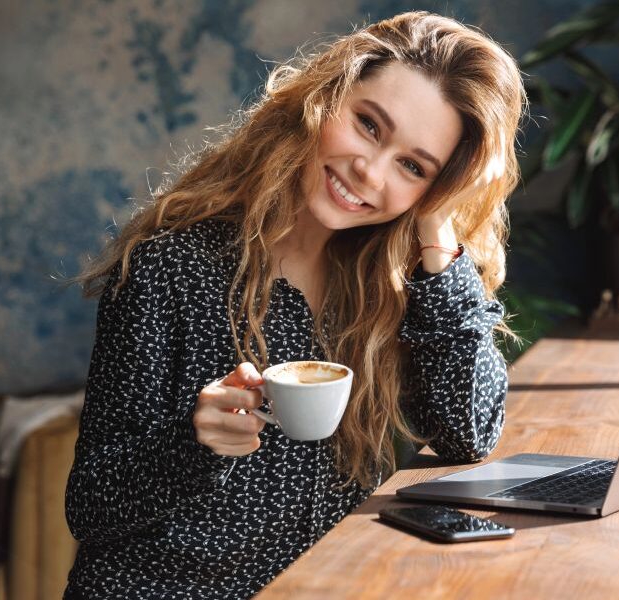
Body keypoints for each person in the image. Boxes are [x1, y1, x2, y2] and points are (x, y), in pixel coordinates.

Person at [64, 11, 525, 599]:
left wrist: (437, 224)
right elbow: (89, 506)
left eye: (413, 166)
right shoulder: (170, 267)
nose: (370, 170)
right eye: (367, 125)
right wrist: (194, 443)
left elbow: (468, 434)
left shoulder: (386, 286)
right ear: (321, 101)